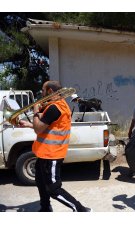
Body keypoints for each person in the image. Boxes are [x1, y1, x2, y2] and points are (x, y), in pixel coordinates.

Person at [19, 81, 92, 212]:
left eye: (43, 90)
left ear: (50, 92)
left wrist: (35, 111)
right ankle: (45, 208)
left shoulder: (55, 108)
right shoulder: (56, 105)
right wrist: (29, 124)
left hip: (51, 155)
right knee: (41, 183)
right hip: (43, 154)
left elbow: (38, 129)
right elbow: (47, 125)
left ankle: (81, 210)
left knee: (53, 189)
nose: (41, 93)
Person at [71, 94, 110, 180]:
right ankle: (106, 172)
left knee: (106, 150)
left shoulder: (82, 102)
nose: (74, 102)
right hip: (91, 120)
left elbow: (90, 110)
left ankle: (106, 172)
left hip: (92, 121)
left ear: (76, 99)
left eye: (74, 100)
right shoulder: (81, 102)